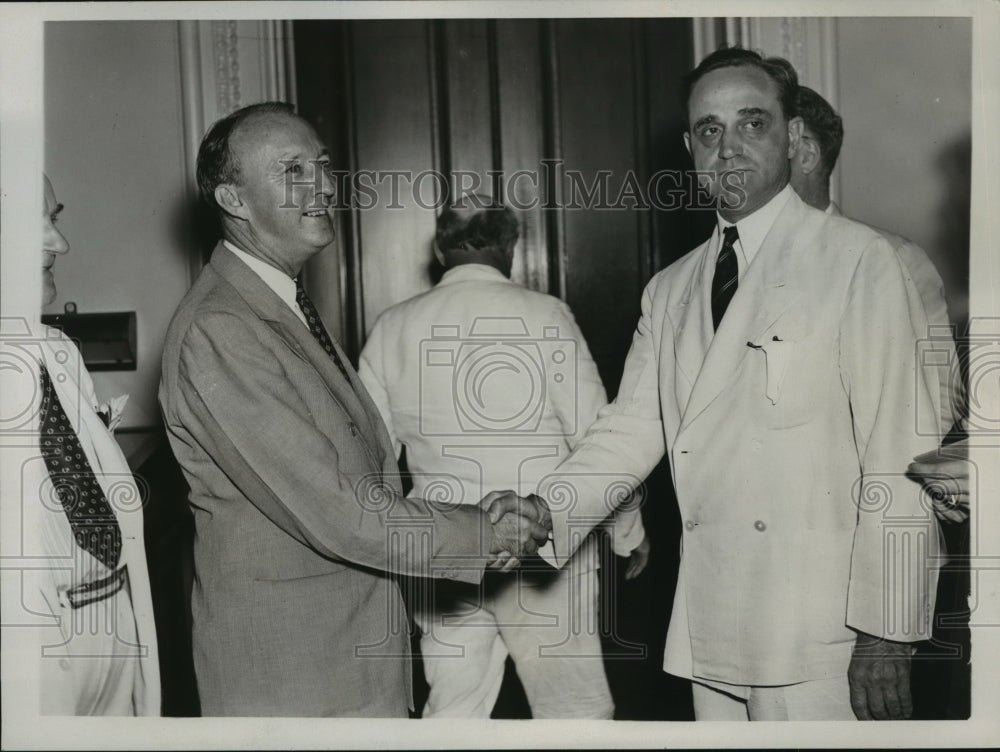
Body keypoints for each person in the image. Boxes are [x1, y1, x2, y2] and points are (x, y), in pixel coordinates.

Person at [518, 48, 943, 721]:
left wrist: (887, 628)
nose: (729, 148)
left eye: (752, 124)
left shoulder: (858, 261)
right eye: (711, 131)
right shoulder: (672, 287)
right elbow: (631, 430)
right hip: (712, 618)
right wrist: (544, 510)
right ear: (690, 147)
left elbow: (900, 454)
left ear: (791, 136)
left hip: (819, 632)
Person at [158, 102, 549, 717]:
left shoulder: (275, 305)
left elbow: (361, 479)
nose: (322, 186)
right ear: (234, 200)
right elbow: (341, 512)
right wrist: (483, 529)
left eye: (323, 164)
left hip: (341, 659)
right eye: (293, 171)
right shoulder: (222, 327)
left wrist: (475, 514)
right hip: (295, 678)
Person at [358, 194, 649, 718]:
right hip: (541, 547)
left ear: (442, 248)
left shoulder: (390, 326)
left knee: (454, 709)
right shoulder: (546, 314)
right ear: (509, 246)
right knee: (573, 711)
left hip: (441, 546)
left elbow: (370, 457)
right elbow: (598, 435)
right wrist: (628, 531)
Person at [789, 86, 964, 518]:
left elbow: (935, 405)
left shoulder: (894, 259)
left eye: (758, 134)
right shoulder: (718, 272)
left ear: (805, 153)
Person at [25, 176, 161, 715]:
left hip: (107, 618)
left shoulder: (55, 349)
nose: (59, 243)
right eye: (30, 223)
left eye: (54, 217)